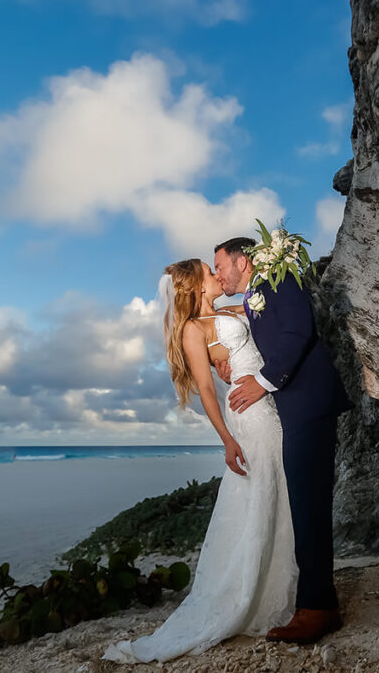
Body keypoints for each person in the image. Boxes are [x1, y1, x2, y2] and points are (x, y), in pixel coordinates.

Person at [102, 258, 297, 664]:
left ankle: (280, 585)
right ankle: (251, 594)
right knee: (261, 488)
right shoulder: (193, 329)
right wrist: (226, 440)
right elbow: (207, 390)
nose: (216, 274)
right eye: (210, 272)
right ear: (197, 286)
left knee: (275, 487)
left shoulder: (227, 310)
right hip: (246, 415)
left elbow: (257, 315)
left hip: (264, 401)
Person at [213, 236, 352, 644]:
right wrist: (230, 361)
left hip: (308, 402)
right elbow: (259, 332)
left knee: (308, 506)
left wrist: (261, 382)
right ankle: (316, 601)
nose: (218, 273)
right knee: (303, 504)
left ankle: (318, 609)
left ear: (242, 261)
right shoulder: (257, 292)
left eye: (220, 265)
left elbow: (298, 332)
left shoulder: (280, 279)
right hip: (294, 408)